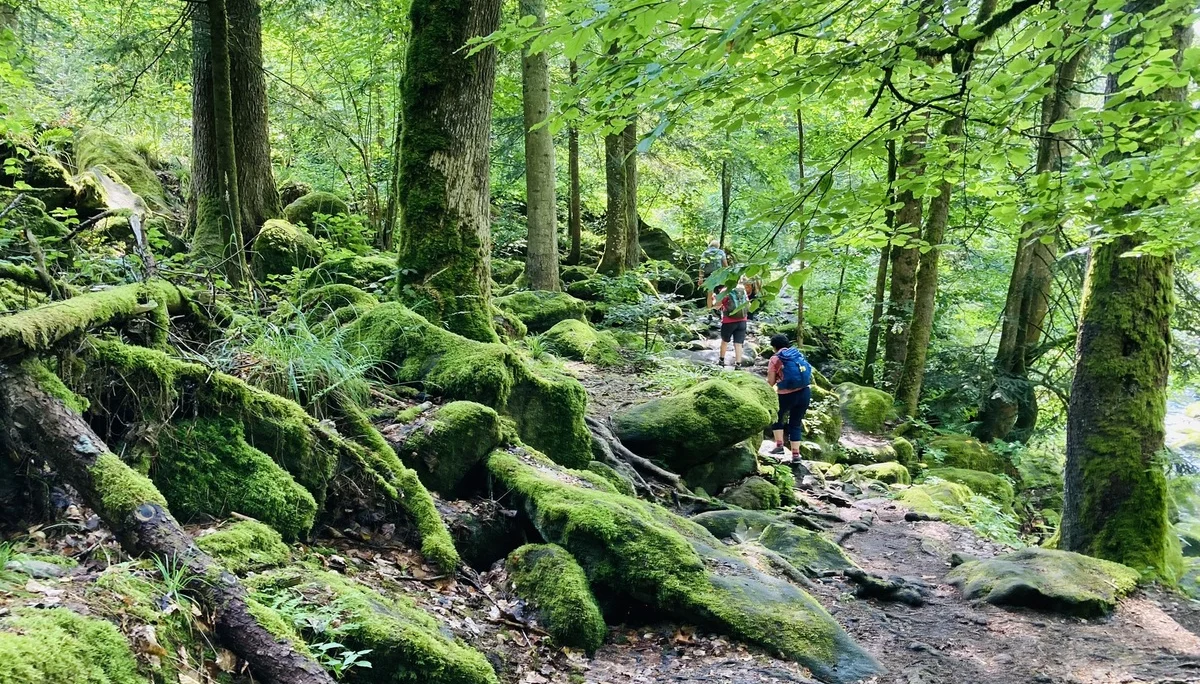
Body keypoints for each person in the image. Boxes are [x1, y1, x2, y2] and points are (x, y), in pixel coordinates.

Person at [765, 333, 813, 462]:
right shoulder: (797, 354)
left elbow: (770, 382)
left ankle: (779, 445)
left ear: (774, 347)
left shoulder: (775, 359)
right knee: (795, 423)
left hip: (786, 395)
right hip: (804, 392)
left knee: (777, 417)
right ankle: (796, 455)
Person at [709, 283, 749, 367]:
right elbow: (748, 304)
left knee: (725, 341)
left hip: (728, 321)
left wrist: (713, 297)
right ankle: (738, 364)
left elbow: (716, 306)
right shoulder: (742, 289)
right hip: (742, 321)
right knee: (738, 343)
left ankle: (721, 361)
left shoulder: (725, 291)